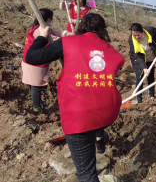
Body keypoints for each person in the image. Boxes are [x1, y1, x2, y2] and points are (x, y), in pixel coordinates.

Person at [25, 13, 125, 182]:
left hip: (78, 117)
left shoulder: (67, 43)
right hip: (107, 111)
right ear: (103, 30)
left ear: (81, 27)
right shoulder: (112, 52)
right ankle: (100, 139)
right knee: (97, 121)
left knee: (87, 175)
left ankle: (98, 141)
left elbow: (32, 57)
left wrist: (42, 37)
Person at [21, 8, 67, 114]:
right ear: (49, 19)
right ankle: (37, 108)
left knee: (34, 84)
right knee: (36, 87)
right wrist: (59, 40)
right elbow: (53, 38)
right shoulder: (38, 31)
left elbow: (57, 33)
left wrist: (65, 33)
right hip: (34, 64)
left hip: (32, 62)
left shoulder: (45, 28)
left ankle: (36, 102)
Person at [129, 23, 156, 103]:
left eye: (138, 35)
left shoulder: (150, 31)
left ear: (142, 32)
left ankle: (152, 96)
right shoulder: (131, 39)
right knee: (140, 79)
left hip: (150, 59)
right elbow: (137, 56)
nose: (136, 37)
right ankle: (139, 99)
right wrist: (144, 68)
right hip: (139, 61)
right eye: (134, 35)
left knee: (151, 77)